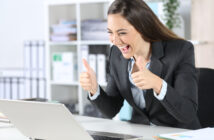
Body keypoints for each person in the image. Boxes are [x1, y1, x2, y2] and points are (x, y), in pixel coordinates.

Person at [79, 0, 201, 129]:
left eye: (122, 33)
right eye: (110, 32)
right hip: (141, 133)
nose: (115, 40)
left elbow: (188, 113)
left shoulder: (180, 51)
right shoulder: (117, 55)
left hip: (177, 133)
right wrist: (94, 90)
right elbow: (111, 110)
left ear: (143, 28)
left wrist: (157, 84)